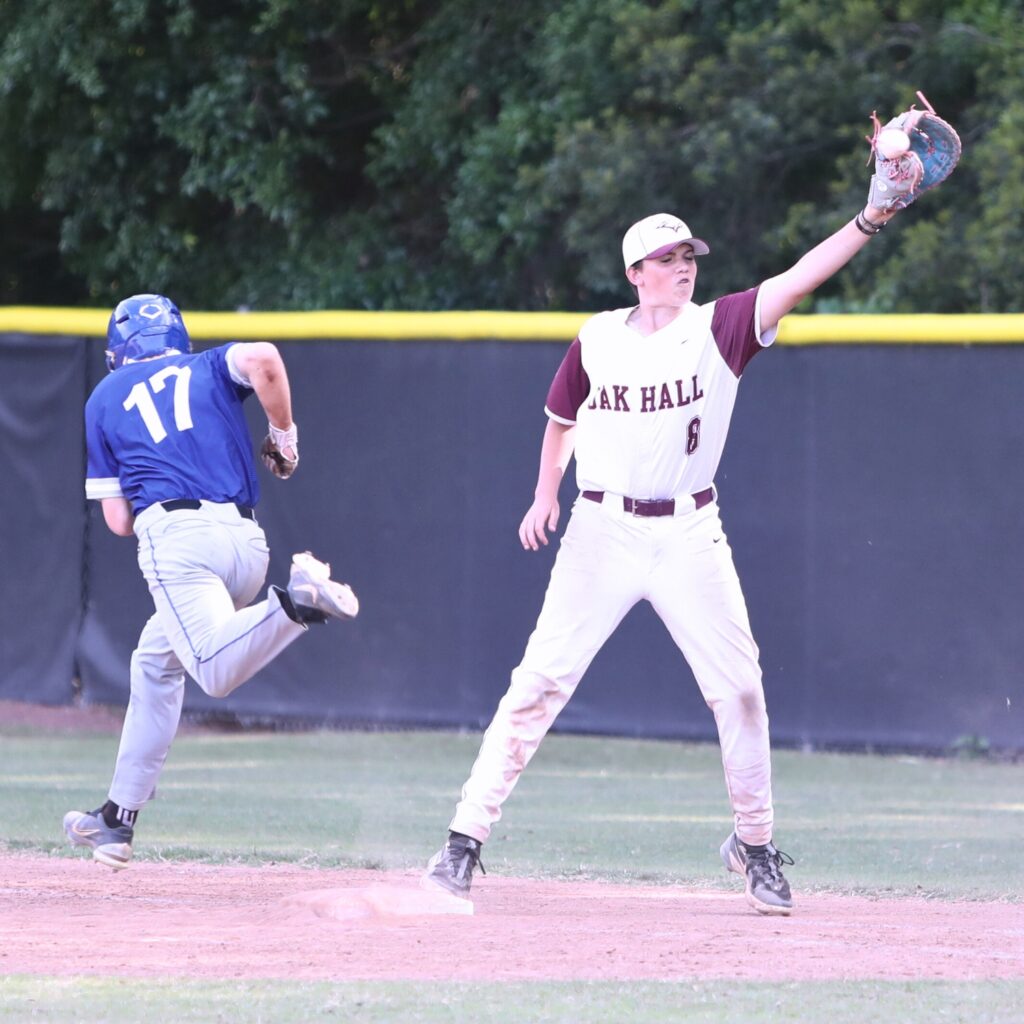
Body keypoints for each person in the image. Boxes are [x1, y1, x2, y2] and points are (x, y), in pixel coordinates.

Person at [420, 194, 914, 917]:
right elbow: (561, 422)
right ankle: (462, 843)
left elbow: (803, 274)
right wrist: (543, 495)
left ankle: (755, 845)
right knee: (537, 685)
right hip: (601, 530)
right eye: (668, 258)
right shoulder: (595, 339)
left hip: (689, 532)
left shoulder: (722, 326)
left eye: (689, 257)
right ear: (635, 272)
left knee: (740, 689)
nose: (683, 267)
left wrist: (871, 216)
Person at [63, 294, 359, 870]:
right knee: (155, 661)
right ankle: (116, 820)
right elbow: (267, 360)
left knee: (213, 671)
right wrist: (286, 434)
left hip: (178, 540)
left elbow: (119, 522)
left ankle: (300, 602)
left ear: (118, 350)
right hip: (245, 542)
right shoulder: (205, 366)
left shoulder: (103, 397)